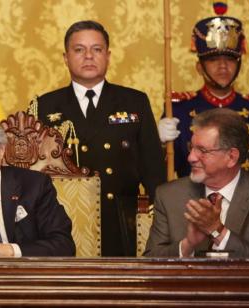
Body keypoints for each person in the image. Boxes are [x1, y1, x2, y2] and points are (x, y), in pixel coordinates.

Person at [32, 20, 166, 256]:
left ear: (108, 55)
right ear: (65, 57)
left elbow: (153, 170)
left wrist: (162, 225)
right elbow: (33, 176)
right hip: (64, 223)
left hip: (122, 223)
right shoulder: (44, 106)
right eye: (79, 50)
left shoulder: (134, 102)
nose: (88, 56)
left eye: (97, 49)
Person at [158, 6, 249, 184]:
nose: (223, 66)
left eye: (230, 59)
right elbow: (163, 178)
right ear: (199, 67)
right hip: (193, 206)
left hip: (248, 207)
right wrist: (159, 145)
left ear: (239, 64)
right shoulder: (178, 109)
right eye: (213, 59)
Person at [144, 108, 249, 258]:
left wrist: (217, 231)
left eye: (202, 150)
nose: (191, 158)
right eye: (191, 148)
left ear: (231, 157)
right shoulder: (169, 195)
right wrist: (188, 244)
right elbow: (150, 261)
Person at [0, 110, 75, 257]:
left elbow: (63, 245)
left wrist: (8, 250)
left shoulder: (35, 186)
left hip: (24, 277)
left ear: (1, 150)